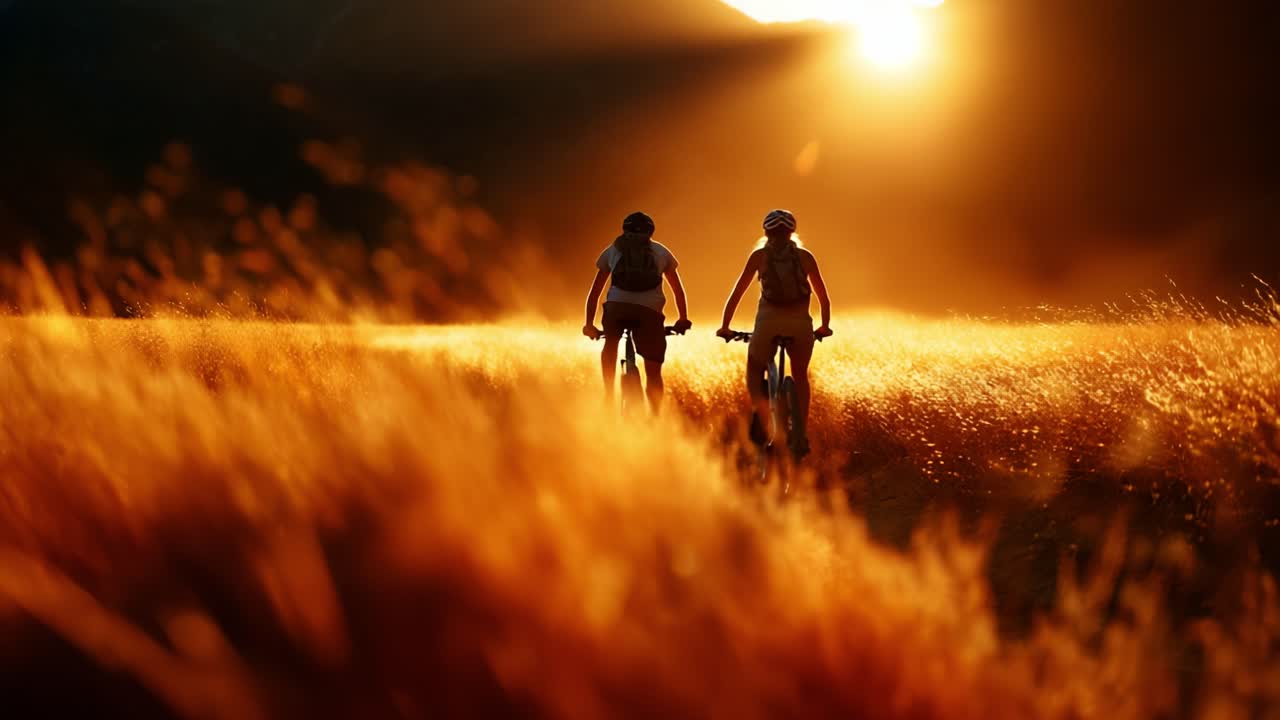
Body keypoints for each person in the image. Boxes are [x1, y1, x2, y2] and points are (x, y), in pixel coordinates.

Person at [716, 209, 833, 455]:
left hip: (768, 324)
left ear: (766, 232)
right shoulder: (806, 257)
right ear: (792, 232)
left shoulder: (759, 257)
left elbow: (737, 293)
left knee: (754, 368)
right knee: (800, 375)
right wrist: (824, 325)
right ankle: (800, 433)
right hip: (801, 325)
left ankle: (763, 421)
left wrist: (725, 326)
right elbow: (823, 297)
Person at [584, 211, 692, 414]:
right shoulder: (661, 252)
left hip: (617, 308)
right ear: (651, 232)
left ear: (624, 230)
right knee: (653, 370)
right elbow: (678, 290)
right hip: (649, 312)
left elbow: (595, 292)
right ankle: (655, 415)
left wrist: (589, 324)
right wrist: (683, 319)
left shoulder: (613, 250)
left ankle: (608, 394)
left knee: (611, 341)